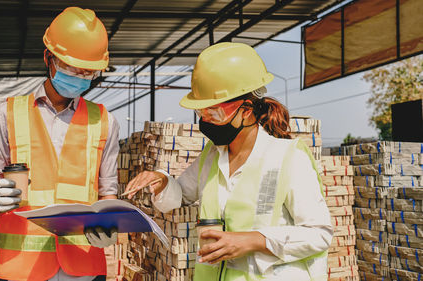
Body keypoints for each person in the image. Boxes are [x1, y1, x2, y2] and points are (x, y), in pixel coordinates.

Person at [124, 42, 333, 281]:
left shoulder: (289, 158)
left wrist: (255, 240)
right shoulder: (212, 157)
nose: (206, 120)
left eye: (214, 113)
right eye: (202, 113)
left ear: (246, 109)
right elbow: (181, 194)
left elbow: (320, 234)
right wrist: (161, 181)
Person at [0, 7, 119, 281]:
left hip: (84, 266)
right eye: (71, 67)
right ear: (49, 58)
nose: (79, 76)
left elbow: (108, 192)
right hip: (22, 267)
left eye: (87, 72)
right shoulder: (6, 114)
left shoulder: (104, 121)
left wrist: (109, 226)